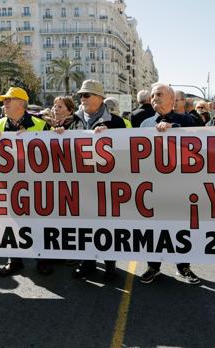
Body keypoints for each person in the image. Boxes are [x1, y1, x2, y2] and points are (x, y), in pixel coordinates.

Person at [55, 80, 125, 281]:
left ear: (100, 98)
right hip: (80, 184)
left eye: (87, 95)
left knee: (107, 224)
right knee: (84, 224)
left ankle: (110, 264)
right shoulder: (71, 122)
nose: (82, 99)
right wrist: (60, 135)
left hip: (107, 184)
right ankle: (87, 263)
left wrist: (111, 137)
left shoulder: (117, 122)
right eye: (81, 95)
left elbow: (128, 152)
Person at [139, 83, 200, 285]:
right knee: (153, 229)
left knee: (180, 228)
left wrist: (175, 131)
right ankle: (153, 266)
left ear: (172, 100)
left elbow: (200, 147)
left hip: (180, 187)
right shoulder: (145, 123)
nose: (154, 98)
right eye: (153, 95)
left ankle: (184, 267)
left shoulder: (187, 121)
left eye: (159, 94)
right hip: (152, 188)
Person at [0, 87, 52, 277]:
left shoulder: (40, 125)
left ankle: (43, 259)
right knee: (11, 223)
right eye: (4, 100)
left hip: (35, 184)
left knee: (38, 222)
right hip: (8, 183)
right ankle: (14, 260)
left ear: (22, 103)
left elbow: (52, 155)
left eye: (9, 100)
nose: (5, 103)